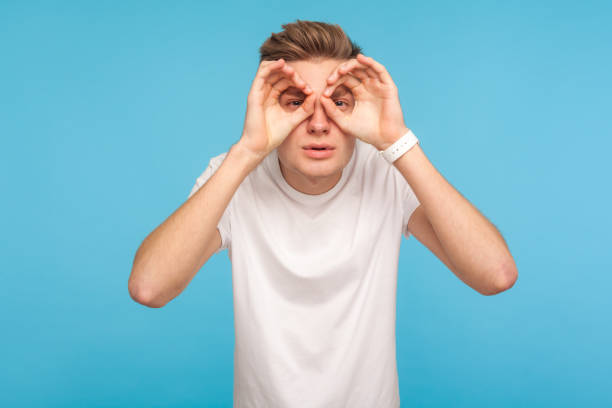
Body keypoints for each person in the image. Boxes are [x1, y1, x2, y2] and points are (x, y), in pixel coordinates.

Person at [129, 20, 518, 408]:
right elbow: (149, 287)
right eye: (296, 103)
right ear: (267, 108)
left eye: (338, 104)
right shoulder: (234, 175)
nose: (318, 124)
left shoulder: (386, 170)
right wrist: (246, 152)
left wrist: (398, 142)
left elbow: (495, 275)